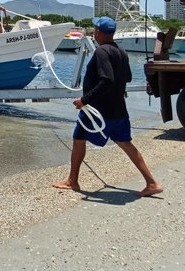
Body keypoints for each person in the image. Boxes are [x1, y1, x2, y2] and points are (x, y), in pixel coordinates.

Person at [52, 16, 163, 197]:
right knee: (126, 144)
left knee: (78, 137)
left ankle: (73, 181)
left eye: (95, 29)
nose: (94, 32)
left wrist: (84, 100)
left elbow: (107, 80)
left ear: (99, 32)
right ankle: (152, 183)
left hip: (99, 112)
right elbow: (126, 78)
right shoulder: (122, 51)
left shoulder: (101, 52)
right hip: (118, 108)